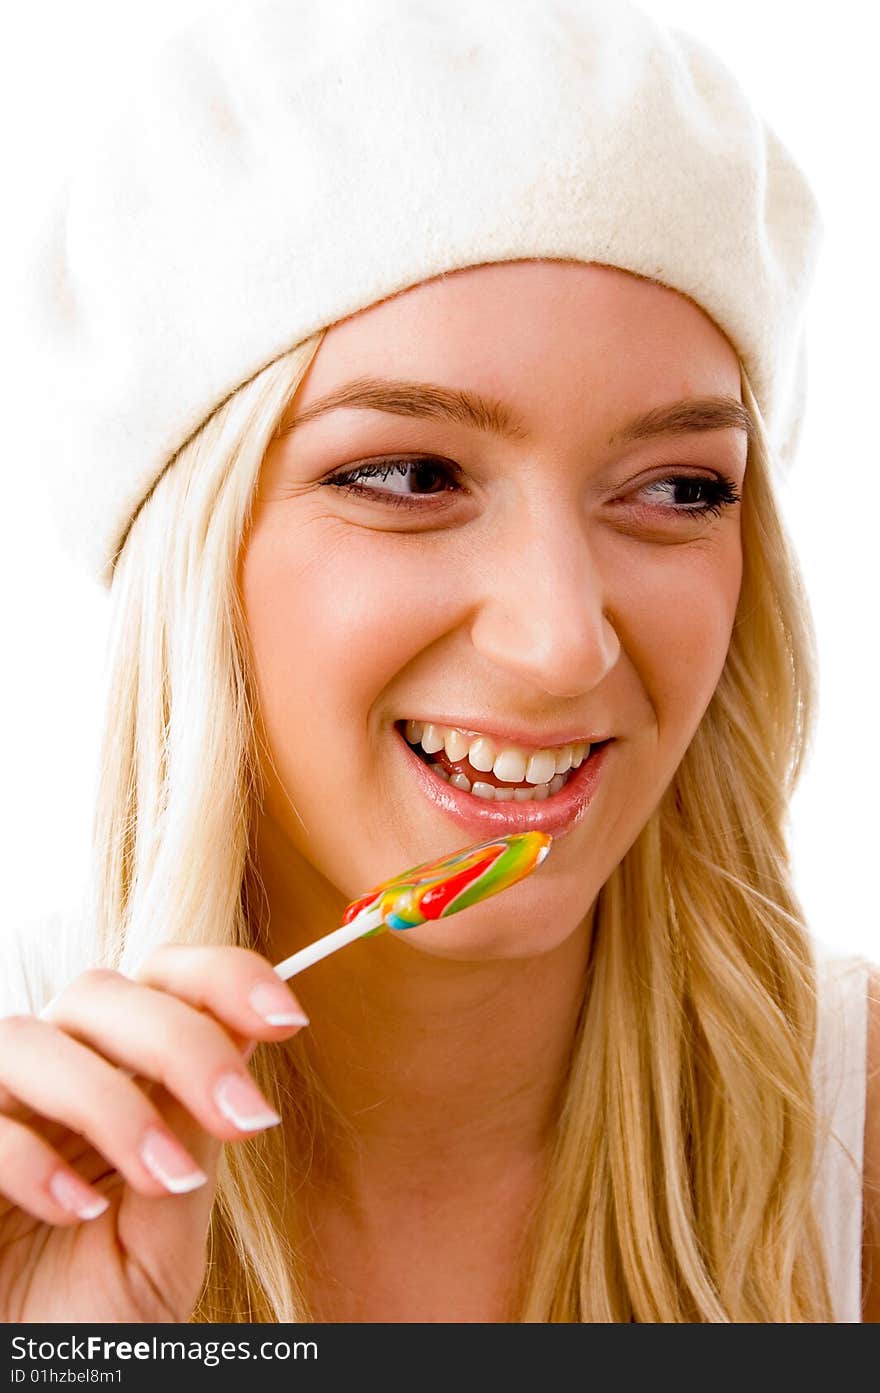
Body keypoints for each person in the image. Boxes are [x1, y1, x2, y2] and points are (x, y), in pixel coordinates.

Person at [1, 0, 876, 1323]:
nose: (562, 640)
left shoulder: (855, 1136)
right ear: (192, 555)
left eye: (680, 488)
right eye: (410, 474)